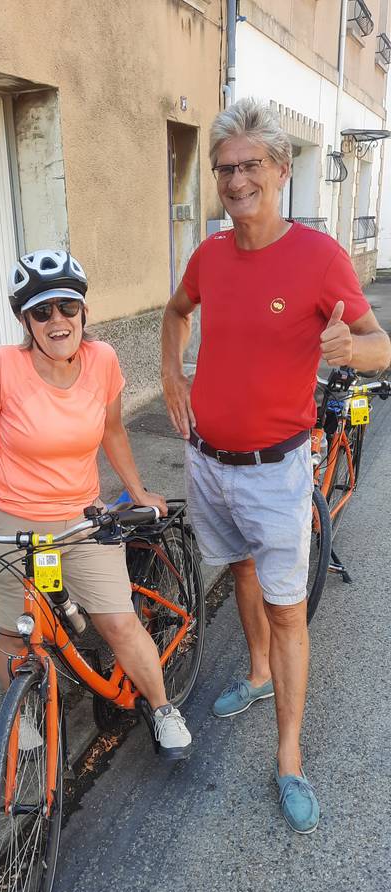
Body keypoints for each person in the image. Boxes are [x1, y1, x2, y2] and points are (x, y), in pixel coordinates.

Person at [161, 98, 390, 830]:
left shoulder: (319, 259)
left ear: (281, 170)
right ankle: (256, 675)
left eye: (250, 165)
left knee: (289, 610)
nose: (235, 180)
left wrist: (353, 350)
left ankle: (288, 759)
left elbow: (381, 342)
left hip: (276, 468)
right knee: (241, 571)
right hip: (207, 463)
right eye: (225, 168)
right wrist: (170, 375)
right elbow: (176, 311)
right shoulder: (208, 255)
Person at [0, 249, 192, 760]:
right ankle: (27, 718)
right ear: (26, 320)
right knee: (16, 634)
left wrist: (138, 487)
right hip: (12, 520)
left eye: (66, 306)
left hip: (82, 519)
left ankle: (163, 706)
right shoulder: (3, 365)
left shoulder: (103, 359)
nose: (56, 320)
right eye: (42, 311)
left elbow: (112, 431)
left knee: (118, 623)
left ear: (83, 311)